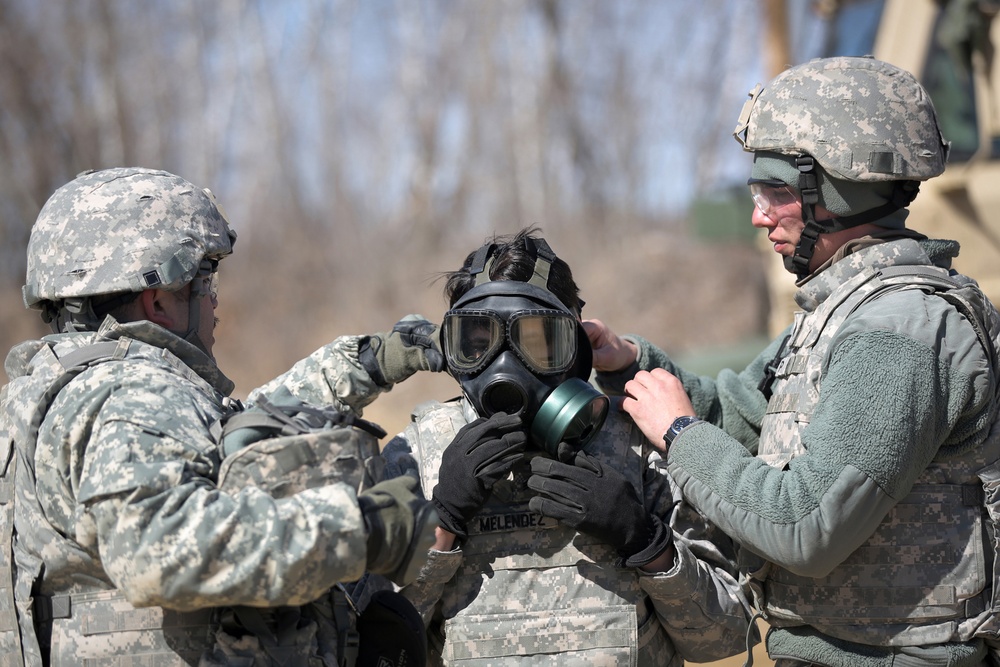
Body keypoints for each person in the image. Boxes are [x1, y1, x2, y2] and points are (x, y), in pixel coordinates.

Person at [589, 56, 1000, 667]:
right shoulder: (841, 311)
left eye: (777, 192)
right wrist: (628, 364)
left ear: (839, 192)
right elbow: (742, 417)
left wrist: (678, 435)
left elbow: (805, 526)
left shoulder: (900, 331)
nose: (758, 215)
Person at [0, 167, 443, 666]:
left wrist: (363, 365)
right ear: (160, 299)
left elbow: (218, 431)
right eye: (206, 281)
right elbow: (158, 549)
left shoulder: (42, 396)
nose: (215, 303)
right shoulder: (135, 393)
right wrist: (366, 531)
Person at [380, 228, 752, 666]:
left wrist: (646, 541)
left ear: (574, 347)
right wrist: (441, 525)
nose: (504, 364)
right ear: (453, 351)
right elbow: (378, 647)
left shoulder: (639, 443)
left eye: (537, 342)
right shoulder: (417, 452)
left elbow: (726, 635)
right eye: (478, 344)